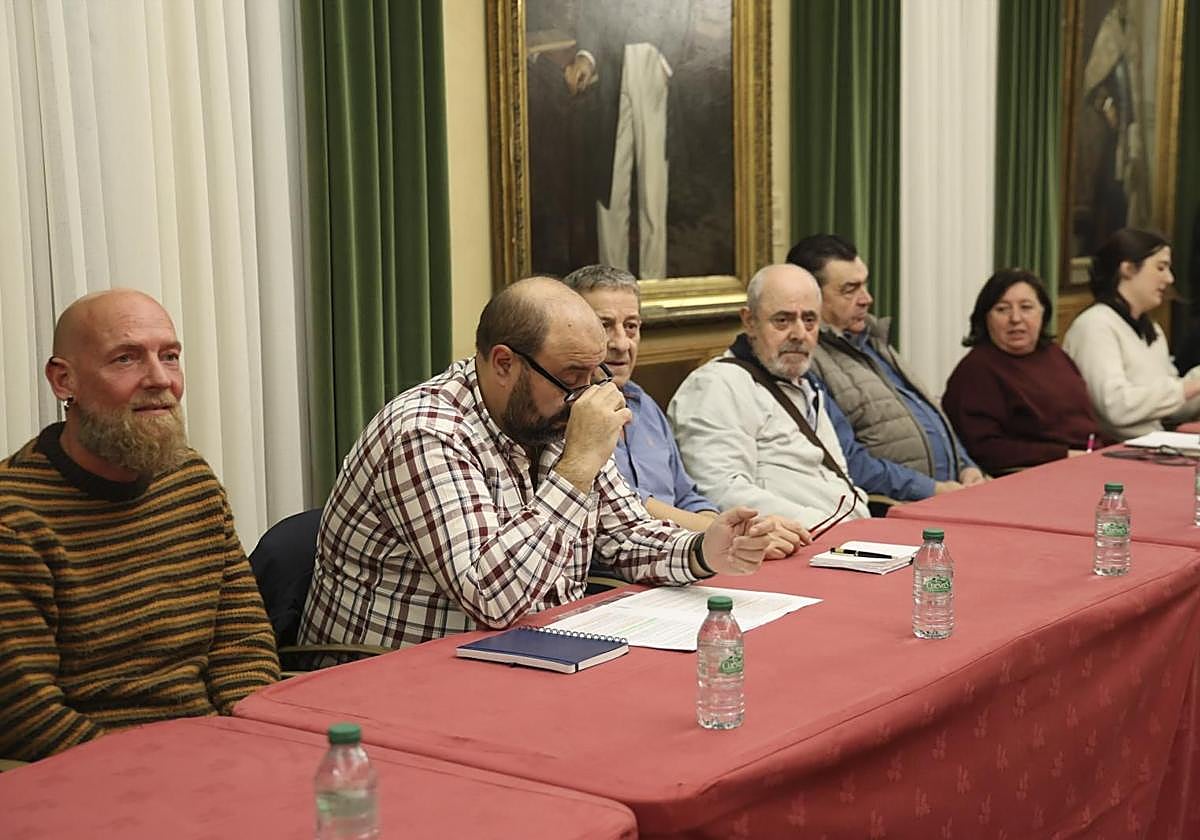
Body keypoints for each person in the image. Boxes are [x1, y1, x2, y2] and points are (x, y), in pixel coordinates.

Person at [299, 277, 775, 650]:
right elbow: (492, 598)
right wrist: (576, 468)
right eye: (572, 377)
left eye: (595, 375)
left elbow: (625, 537)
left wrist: (705, 548)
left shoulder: (549, 414)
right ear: (504, 363)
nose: (587, 395)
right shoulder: (425, 433)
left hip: (524, 654)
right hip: (391, 682)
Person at [0, 290, 279, 762]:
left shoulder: (190, 481)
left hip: (214, 753)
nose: (160, 380)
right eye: (126, 359)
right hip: (91, 776)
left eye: (169, 357)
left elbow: (242, 644)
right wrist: (156, 773)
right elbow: (26, 717)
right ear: (64, 380)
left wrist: (255, 744)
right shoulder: (15, 516)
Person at [561, 264, 809, 559]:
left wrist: (733, 531)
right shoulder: (565, 414)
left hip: (692, 560)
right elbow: (629, 508)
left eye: (631, 326)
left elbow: (687, 495)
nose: (622, 343)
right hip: (633, 572)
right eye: (605, 326)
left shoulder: (644, 405)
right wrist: (720, 534)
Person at [668, 264, 870, 527]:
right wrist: (823, 526)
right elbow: (721, 493)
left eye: (809, 320)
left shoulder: (806, 384)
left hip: (846, 537)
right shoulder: (715, 386)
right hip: (797, 544)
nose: (799, 334)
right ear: (749, 321)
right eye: (782, 320)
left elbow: (839, 478)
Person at [786, 234, 985, 500]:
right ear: (810, 298)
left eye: (864, 285)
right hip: (894, 507)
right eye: (850, 289)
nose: (866, 298)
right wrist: (930, 489)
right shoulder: (806, 362)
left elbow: (930, 414)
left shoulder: (872, 338)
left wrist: (965, 465)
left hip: (949, 494)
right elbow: (846, 462)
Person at [564, 1, 694, 278]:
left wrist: (665, 59)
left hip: (652, 57)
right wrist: (586, 57)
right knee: (610, 180)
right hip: (612, 67)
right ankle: (611, 282)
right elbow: (593, 11)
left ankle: (654, 278)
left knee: (653, 182)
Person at [943, 269, 1103, 474]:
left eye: (1026, 307)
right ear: (985, 318)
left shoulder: (1053, 353)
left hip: (1089, 461)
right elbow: (984, 449)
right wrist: (1062, 455)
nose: (1015, 318)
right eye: (1002, 309)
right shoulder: (976, 371)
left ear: (1043, 312)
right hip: (1036, 474)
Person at [1063, 228, 1200, 440]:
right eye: (1161, 268)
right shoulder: (1095, 326)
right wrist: (1187, 388)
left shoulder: (1151, 329)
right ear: (1127, 269)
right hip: (1114, 452)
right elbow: (1115, 407)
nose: (1170, 279)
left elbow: (1172, 407)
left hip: (1155, 445)